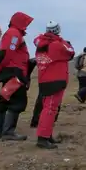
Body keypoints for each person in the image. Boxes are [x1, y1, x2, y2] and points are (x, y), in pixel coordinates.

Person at [0, 12, 34, 141]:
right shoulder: (14, 34)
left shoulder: (13, 33)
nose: (27, 26)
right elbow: (6, 53)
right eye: (25, 23)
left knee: (5, 99)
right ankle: (8, 132)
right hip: (15, 72)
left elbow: (5, 53)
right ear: (20, 22)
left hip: (12, 71)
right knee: (17, 101)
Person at [33, 21, 75, 149]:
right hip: (55, 79)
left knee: (48, 108)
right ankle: (42, 138)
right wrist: (63, 41)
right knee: (50, 109)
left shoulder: (41, 43)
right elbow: (70, 52)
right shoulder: (57, 45)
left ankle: (47, 134)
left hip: (45, 78)